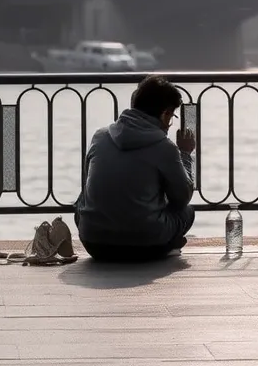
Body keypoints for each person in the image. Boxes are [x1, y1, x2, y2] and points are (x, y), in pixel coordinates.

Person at [75, 74, 196, 262]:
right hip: (145, 245)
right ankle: (168, 243)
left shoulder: (99, 136)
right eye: (171, 117)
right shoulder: (166, 147)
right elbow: (182, 198)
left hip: (94, 244)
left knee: (82, 201)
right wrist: (186, 154)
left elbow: (87, 186)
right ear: (165, 114)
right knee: (188, 212)